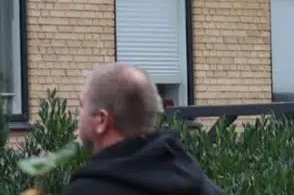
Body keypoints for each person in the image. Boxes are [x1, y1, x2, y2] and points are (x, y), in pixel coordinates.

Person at [63, 63, 223, 195]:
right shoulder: (201, 185)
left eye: (82, 106)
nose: (78, 116)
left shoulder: (88, 190)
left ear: (101, 120)